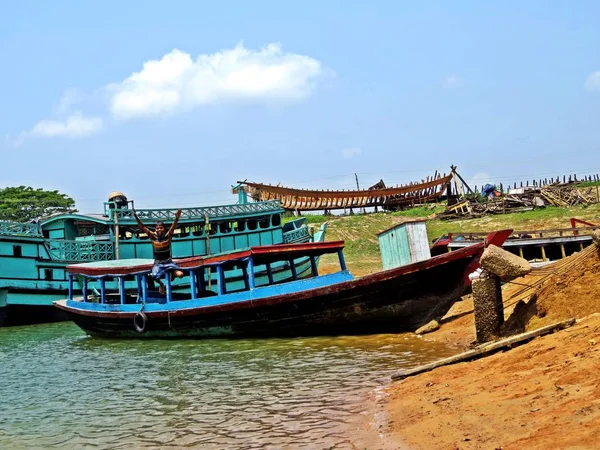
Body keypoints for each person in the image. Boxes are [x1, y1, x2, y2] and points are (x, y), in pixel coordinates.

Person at [132, 208, 184, 294]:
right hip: (158, 263)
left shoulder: (168, 236)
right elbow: (143, 227)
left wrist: (177, 217)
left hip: (168, 262)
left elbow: (173, 226)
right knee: (154, 276)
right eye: (158, 228)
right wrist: (136, 216)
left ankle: (173, 275)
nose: (159, 229)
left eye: (161, 228)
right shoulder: (153, 237)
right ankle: (161, 284)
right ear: (155, 229)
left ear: (164, 229)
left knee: (181, 275)